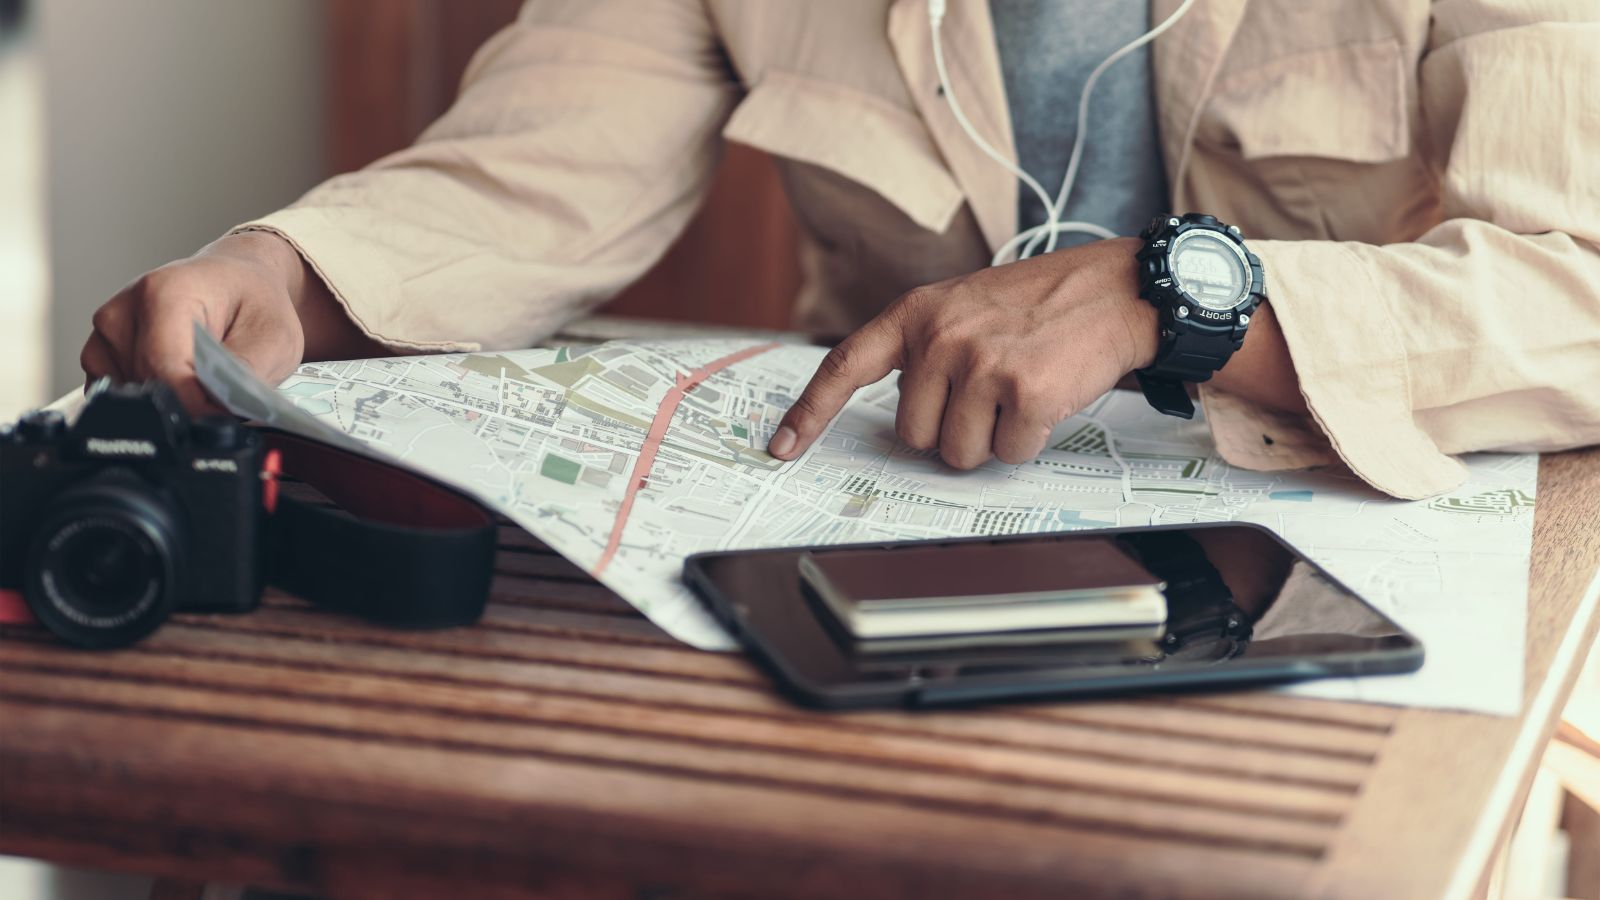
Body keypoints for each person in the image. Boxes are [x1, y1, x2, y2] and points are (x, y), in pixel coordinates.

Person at [80, 0, 1600, 501]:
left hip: (1348, 537)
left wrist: (1177, 300)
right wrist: (284, 273)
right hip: (895, 519)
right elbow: (520, 176)